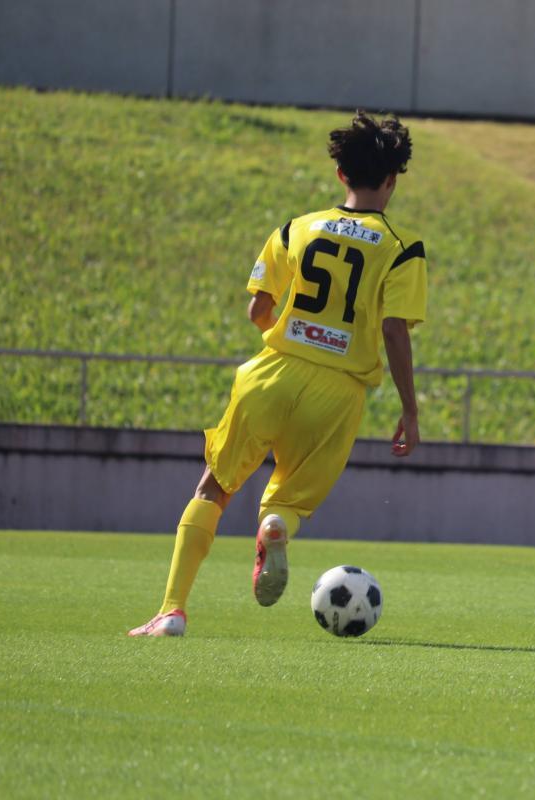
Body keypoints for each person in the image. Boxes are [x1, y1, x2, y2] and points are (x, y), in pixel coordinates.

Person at [130, 111, 428, 637]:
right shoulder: (403, 249)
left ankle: (172, 610)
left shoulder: (297, 228)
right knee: (290, 500)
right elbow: (394, 329)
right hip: (338, 392)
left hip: (271, 374)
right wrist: (409, 407)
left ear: (341, 173)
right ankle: (276, 524)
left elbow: (258, 309)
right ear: (392, 179)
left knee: (215, 486)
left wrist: (292, 336)